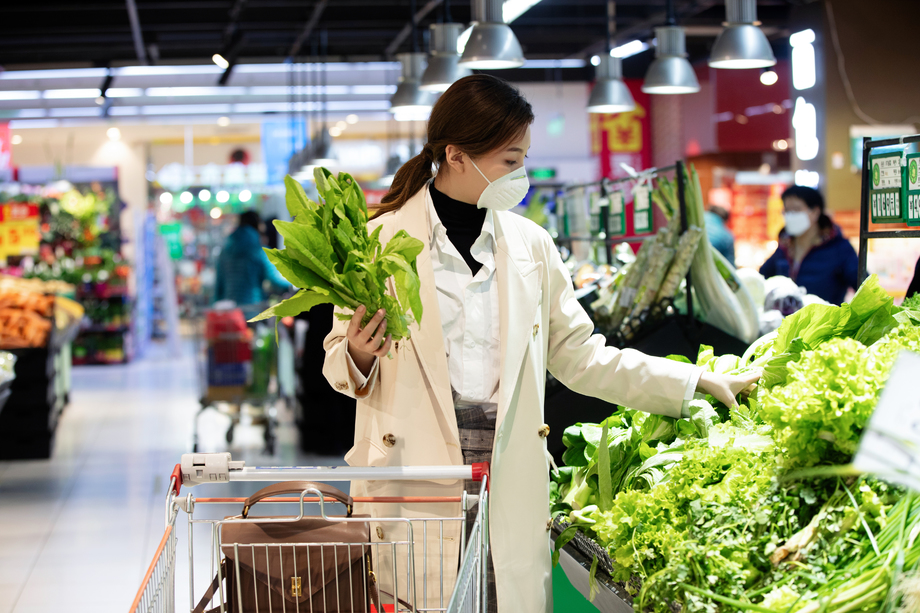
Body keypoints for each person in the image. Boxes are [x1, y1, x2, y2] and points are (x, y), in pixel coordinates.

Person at [322, 75, 759, 613]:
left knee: (503, 597)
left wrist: (694, 380)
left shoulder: (531, 245)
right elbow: (337, 362)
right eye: (510, 160)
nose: (520, 174)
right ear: (456, 155)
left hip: (507, 468)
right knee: (421, 597)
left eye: (523, 159)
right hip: (414, 470)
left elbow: (582, 356)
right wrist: (359, 352)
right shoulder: (377, 244)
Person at [760, 185, 858, 305]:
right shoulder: (784, 247)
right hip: (785, 316)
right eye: (786, 210)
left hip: (825, 315)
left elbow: (862, 285)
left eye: (796, 210)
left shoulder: (839, 248)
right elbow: (762, 278)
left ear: (815, 212)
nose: (790, 215)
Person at [214, 210, 289, 318]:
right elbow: (276, 280)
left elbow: (218, 287)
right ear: (258, 226)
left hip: (230, 313)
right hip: (253, 310)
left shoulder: (225, 252)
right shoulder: (259, 251)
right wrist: (300, 283)